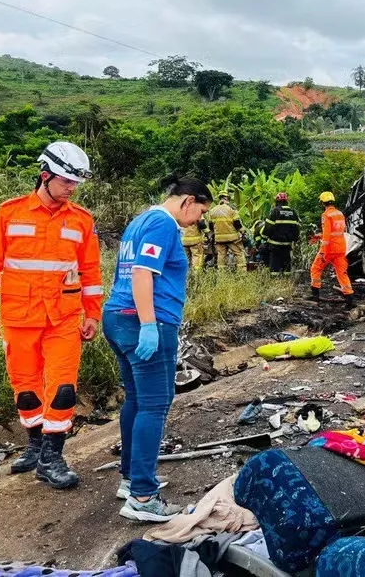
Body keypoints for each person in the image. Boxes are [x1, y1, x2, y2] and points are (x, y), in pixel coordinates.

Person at [0, 141, 102, 489]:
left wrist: (93, 315)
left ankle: (52, 457)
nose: (71, 188)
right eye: (66, 181)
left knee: (63, 388)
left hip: (64, 318)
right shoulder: (8, 214)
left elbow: (91, 272)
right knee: (25, 389)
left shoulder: (82, 221)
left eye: (75, 183)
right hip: (20, 317)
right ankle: (35, 446)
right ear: (45, 175)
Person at [103, 176, 213, 521]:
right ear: (188, 201)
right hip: (143, 321)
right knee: (154, 406)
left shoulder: (140, 220)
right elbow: (141, 273)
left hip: (117, 317)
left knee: (136, 400)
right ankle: (143, 497)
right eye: (201, 211)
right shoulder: (164, 225)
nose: (199, 219)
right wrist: (150, 324)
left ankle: (132, 479)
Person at [310, 192, 354, 307]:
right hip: (341, 248)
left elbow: (328, 235)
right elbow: (337, 232)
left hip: (329, 249)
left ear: (322, 202)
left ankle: (315, 295)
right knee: (342, 273)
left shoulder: (326, 215)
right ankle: (349, 299)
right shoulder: (339, 214)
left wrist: (323, 250)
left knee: (316, 268)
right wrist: (318, 236)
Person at [262, 192, 301, 274]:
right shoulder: (293, 212)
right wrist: (295, 239)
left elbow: (268, 227)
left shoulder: (275, 211)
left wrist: (264, 238)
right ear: (287, 201)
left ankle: (275, 281)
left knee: (275, 263)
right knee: (286, 263)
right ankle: (286, 279)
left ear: (277, 201)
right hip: (287, 244)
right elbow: (297, 228)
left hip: (275, 244)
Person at [207, 193, 246, 270]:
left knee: (221, 255)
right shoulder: (231, 209)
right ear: (226, 198)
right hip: (232, 238)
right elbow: (237, 223)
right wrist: (243, 232)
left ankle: (222, 274)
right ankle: (242, 273)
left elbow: (211, 226)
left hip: (219, 238)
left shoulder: (212, 211)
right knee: (239, 254)